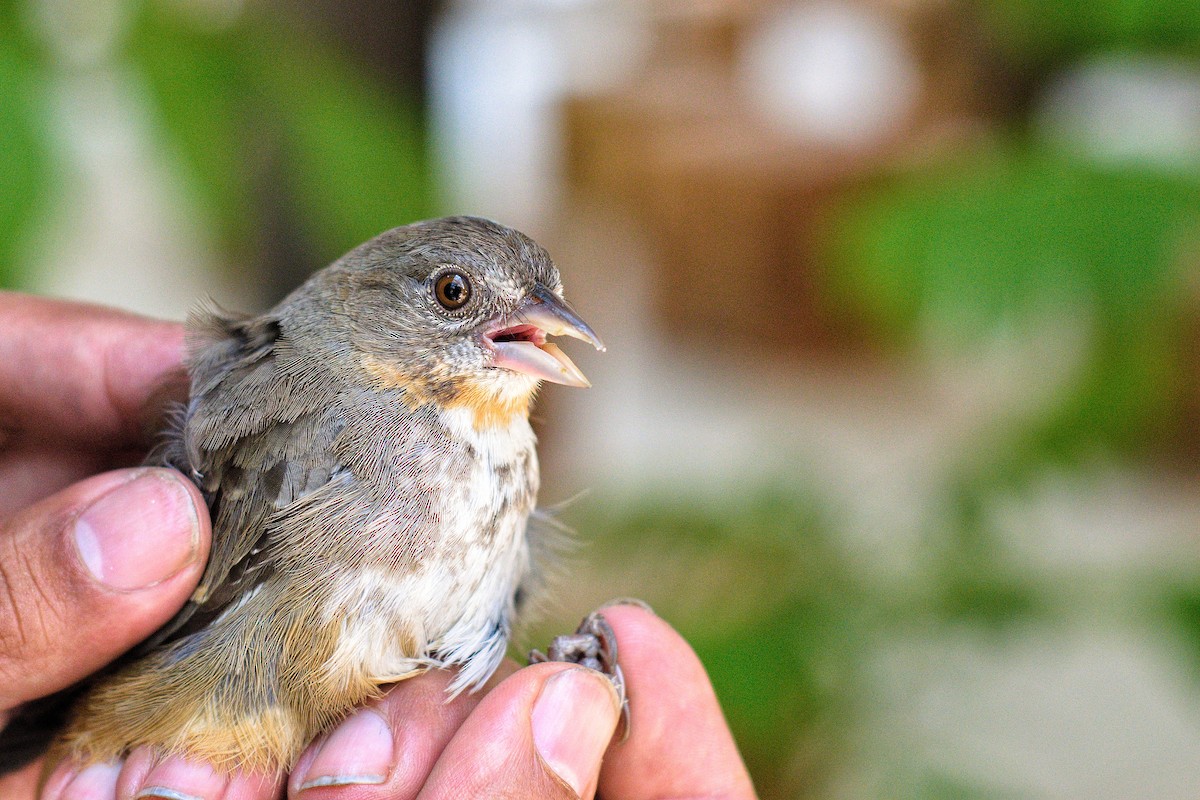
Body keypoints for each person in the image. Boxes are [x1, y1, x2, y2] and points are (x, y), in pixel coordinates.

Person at [0, 292, 758, 800]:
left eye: (540, 298)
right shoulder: (313, 413)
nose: (534, 319)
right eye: (455, 294)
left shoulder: (507, 450)